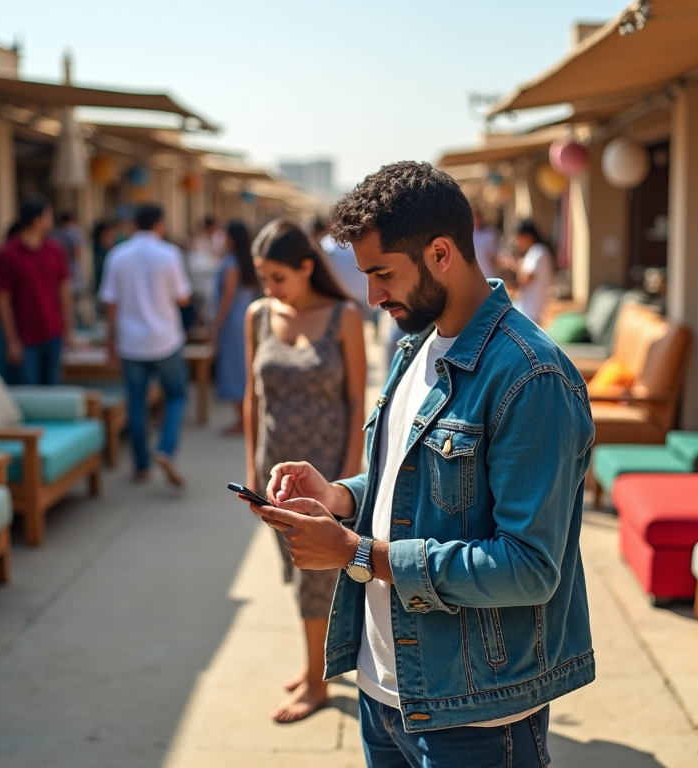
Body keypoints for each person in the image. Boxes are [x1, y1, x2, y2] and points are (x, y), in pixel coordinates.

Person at [247, 161, 595, 767]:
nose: (372, 295)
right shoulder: (418, 348)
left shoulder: (530, 375)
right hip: (385, 686)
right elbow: (409, 485)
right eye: (364, 275)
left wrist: (356, 553)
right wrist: (340, 496)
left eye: (382, 274)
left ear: (441, 253)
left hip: (476, 711)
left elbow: (531, 566)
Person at [245, 219, 367, 723]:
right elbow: (253, 400)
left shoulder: (344, 316)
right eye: (262, 277)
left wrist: (347, 478)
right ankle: (313, 664)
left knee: (318, 578)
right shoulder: (256, 316)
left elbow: (358, 402)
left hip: (325, 475)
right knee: (298, 574)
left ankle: (317, 685)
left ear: (306, 268)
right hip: (273, 472)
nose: (269, 288)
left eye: (278, 277)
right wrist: (251, 467)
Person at [99, 203, 192, 486]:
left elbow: (110, 304)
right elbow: (183, 298)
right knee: (175, 396)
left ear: (133, 224)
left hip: (130, 342)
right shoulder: (169, 253)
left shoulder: (117, 255)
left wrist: (111, 339)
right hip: (165, 339)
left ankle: (141, 465)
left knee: (136, 403)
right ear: (159, 224)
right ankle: (164, 448)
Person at [0, 197, 75, 385]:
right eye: (48, 216)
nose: (52, 221)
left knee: (53, 388)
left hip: (54, 333)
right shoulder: (7, 254)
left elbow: (64, 291)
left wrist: (68, 329)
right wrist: (11, 341)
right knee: (29, 389)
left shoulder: (55, 250)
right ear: (37, 221)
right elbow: (2, 300)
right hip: (25, 338)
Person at [211, 221, 259, 435]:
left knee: (234, 371)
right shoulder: (245, 262)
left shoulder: (231, 264)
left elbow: (227, 299)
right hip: (245, 319)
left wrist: (215, 325)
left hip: (233, 322)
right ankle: (244, 420)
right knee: (242, 369)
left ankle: (242, 421)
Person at [507, 220, 553, 327]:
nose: (516, 243)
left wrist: (515, 265)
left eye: (518, 238)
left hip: (531, 313)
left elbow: (525, 278)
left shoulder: (538, 251)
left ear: (527, 236)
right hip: (527, 311)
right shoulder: (535, 252)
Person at [471, 204, 500, 280]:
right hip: (473, 279)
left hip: (488, 277)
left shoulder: (489, 235)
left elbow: (494, 258)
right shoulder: (467, 236)